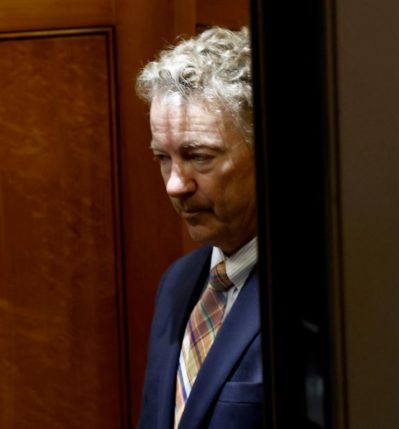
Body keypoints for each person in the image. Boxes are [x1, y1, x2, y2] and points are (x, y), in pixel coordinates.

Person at [135, 27, 261, 429]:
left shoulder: (322, 300)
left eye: (198, 157)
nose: (175, 184)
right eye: (163, 157)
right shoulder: (178, 282)